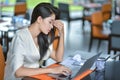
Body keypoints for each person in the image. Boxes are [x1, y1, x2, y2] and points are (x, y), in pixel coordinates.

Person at [4, 2, 71, 80]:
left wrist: (62, 34)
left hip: (34, 77)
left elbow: (58, 58)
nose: (52, 26)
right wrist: (51, 70)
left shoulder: (43, 37)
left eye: (53, 23)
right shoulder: (21, 37)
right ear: (39, 19)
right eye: (50, 22)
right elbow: (18, 72)